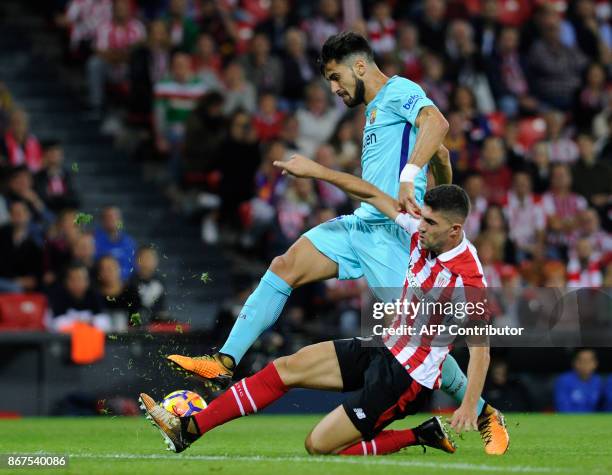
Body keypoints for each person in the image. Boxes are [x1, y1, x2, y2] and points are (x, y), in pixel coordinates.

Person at [165, 31, 508, 455]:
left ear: (360, 66)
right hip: (364, 222)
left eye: (335, 76)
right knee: (286, 265)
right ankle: (224, 361)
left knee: (416, 343)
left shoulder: (401, 90)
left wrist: (414, 184)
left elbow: (438, 125)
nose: (334, 88)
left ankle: (486, 412)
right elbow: (440, 151)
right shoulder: (374, 112)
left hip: (397, 235)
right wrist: (442, 180)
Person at [140, 180, 494, 455]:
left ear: (455, 231)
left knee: (318, 446)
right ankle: (188, 431)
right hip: (381, 348)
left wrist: (467, 405)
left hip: (404, 380)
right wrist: (315, 172)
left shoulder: (469, 279)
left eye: (430, 223)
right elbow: (370, 194)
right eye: (423, 218)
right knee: (285, 368)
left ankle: (418, 434)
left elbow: (481, 350)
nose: (420, 228)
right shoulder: (423, 229)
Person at [93, 206, 136, 281]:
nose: (112, 219)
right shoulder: (93, 240)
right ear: (102, 220)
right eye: (109, 217)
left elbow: (134, 266)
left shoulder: (129, 242)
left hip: (126, 284)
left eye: (115, 216)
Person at [555, 348, 603, 412]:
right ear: (575, 363)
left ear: (595, 363)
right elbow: (563, 408)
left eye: (589, 361)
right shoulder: (564, 380)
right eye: (582, 361)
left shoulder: (597, 380)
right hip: (570, 420)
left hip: (593, 420)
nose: (586, 365)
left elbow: (602, 407)